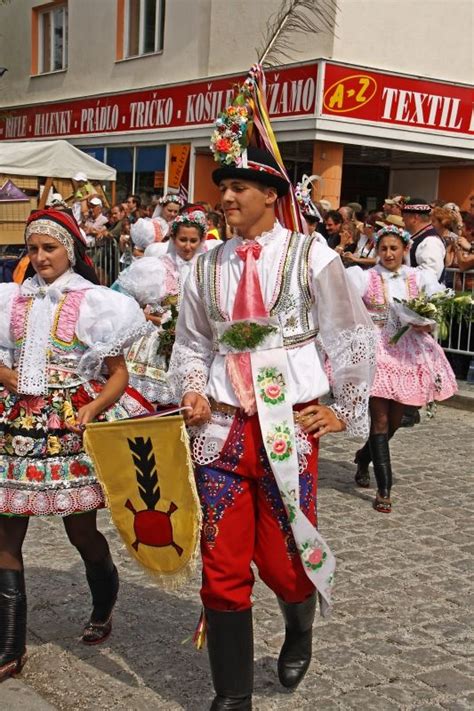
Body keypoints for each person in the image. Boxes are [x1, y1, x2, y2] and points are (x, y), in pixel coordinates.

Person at [169, 139, 375, 707]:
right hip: (222, 429)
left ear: (271, 195)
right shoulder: (206, 264)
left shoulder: (311, 255)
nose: (227, 197)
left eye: (239, 188)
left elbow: (350, 334)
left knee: (285, 560)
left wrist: (344, 405)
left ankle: (299, 623)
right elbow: (191, 342)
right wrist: (191, 387)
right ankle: (233, 694)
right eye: (223, 188)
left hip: (288, 427)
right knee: (221, 561)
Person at [0, 209, 154, 681]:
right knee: (6, 533)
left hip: (69, 425)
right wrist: (5, 376)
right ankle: (9, 643)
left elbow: (118, 373)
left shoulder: (95, 302)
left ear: (70, 250)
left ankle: (104, 599)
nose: (41, 257)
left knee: (80, 531)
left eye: (50, 248)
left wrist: (93, 408)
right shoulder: (9, 300)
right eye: (34, 249)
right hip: (16, 423)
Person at [347, 225, 457, 513]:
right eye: (383, 248)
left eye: (394, 248)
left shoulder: (417, 278)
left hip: (407, 353)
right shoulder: (365, 277)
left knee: (395, 420)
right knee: (380, 420)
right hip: (376, 352)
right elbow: (344, 304)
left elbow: (436, 306)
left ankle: (363, 456)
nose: (388, 253)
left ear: (405, 250)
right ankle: (385, 490)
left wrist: (426, 319)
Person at [116, 211, 208, 405]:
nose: (188, 246)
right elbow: (134, 308)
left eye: (194, 240)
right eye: (183, 240)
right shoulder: (156, 268)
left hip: (196, 343)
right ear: (173, 239)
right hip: (157, 342)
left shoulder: (207, 269)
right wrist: (162, 322)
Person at [401, 198, 445, 280]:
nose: (402, 220)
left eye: (404, 216)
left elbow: (431, 274)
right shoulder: (419, 237)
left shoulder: (431, 241)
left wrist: (400, 272)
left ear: (415, 218)